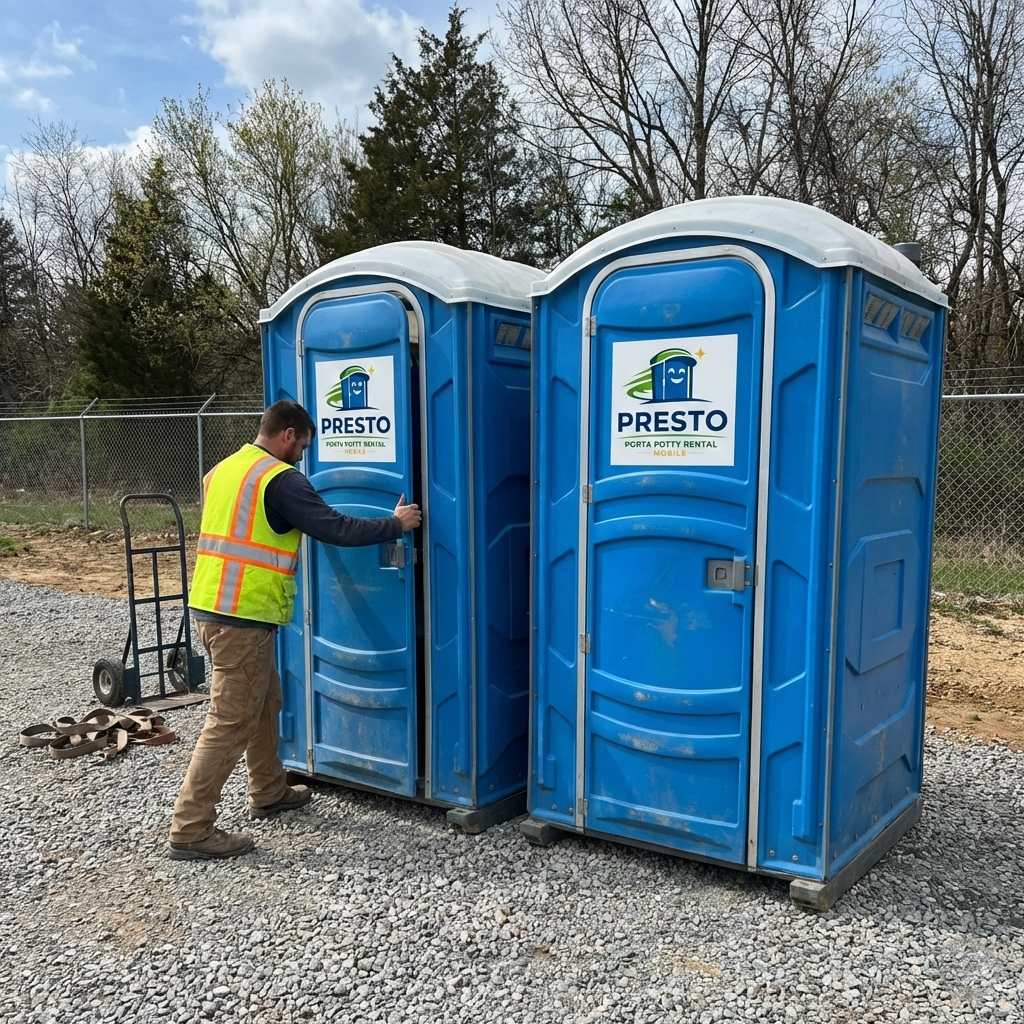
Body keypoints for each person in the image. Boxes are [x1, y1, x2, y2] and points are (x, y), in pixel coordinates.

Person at [168, 399, 421, 861]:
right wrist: (394, 524)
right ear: (287, 434)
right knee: (230, 721)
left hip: (215, 607)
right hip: (240, 616)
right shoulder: (279, 479)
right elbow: (335, 527)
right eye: (303, 445)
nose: (304, 453)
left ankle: (268, 790)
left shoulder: (223, 470)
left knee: (266, 702)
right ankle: (191, 828)